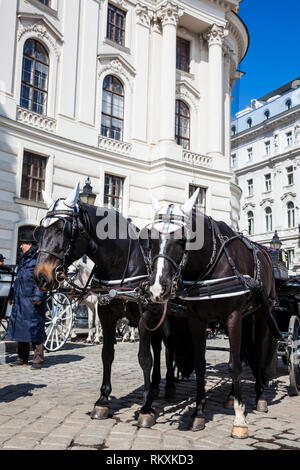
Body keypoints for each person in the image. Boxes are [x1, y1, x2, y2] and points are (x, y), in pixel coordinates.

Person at [7, 228, 47, 370]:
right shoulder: (24, 259)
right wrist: (12, 295)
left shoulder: (39, 258)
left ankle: (38, 359)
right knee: (20, 328)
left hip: (32, 299)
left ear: (30, 244)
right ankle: (22, 357)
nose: (20, 246)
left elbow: (42, 278)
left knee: (35, 328)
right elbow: (17, 279)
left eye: (22, 243)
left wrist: (38, 296)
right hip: (20, 298)